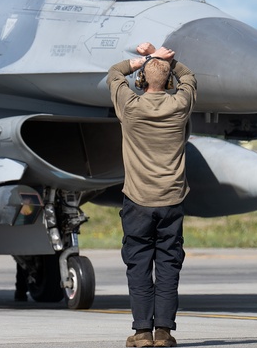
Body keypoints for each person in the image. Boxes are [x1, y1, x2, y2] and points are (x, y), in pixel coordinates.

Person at [108, 43, 197, 348]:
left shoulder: (130, 108)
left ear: (143, 82)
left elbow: (114, 73)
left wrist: (142, 60)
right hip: (171, 200)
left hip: (137, 201)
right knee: (170, 265)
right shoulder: (180, 106)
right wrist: (168, 59)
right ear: (170, 81)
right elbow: (189, 79)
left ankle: (142, 333)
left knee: (139, 266)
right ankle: (164, 334)